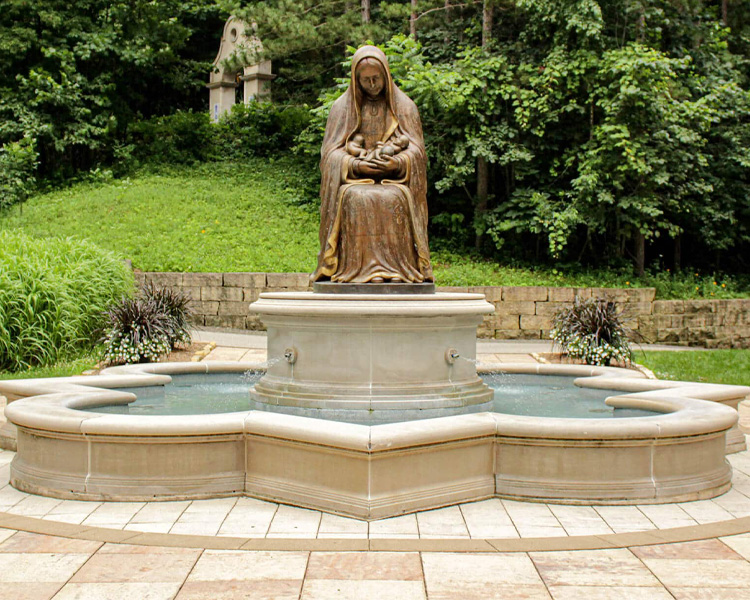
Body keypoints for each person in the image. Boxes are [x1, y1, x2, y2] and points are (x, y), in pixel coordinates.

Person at [311, 45, 433, 284]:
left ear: (386, 76)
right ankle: (355, 271)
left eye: (377, 78)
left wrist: (396, 163)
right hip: (355, 180)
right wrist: (355, 166)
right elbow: (329, 155)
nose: (373, 84)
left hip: (394, 181)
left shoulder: (404, 107)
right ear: (356, 81)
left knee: (393, 198)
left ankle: (399, 270)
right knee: (356, 197)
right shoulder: (342, 109)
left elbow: (418, 153)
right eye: (366, 80)